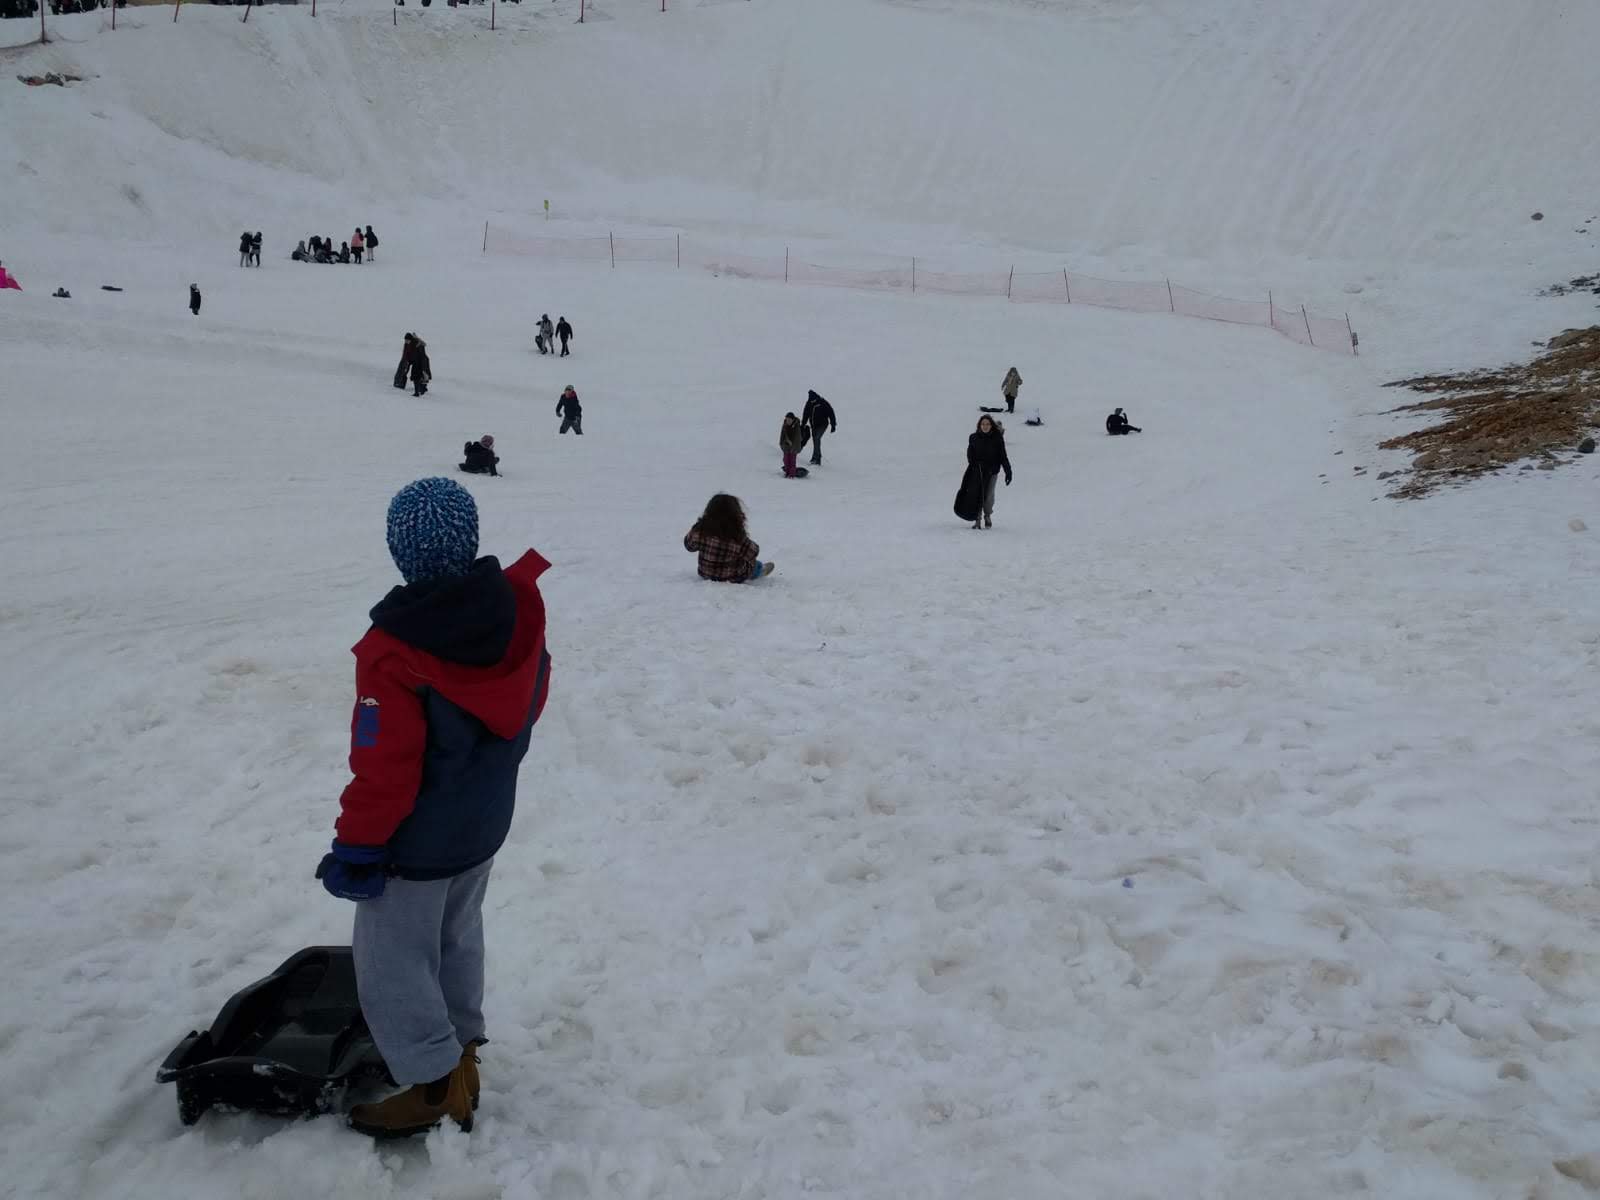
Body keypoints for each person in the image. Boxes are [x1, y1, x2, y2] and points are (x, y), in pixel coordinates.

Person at [318, 476, 552, 1138]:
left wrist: (358, 846)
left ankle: (430, 1086)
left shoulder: (394, 651)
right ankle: (463, 1059)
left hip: (416, 844)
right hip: (482, 826)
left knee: (393, 960)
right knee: (456, 935)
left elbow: (384, 766)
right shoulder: (516, 611)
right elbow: (530, 698)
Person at [684, 493, 772, 582]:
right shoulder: (737, 536)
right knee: (754, 564)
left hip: (705, 573)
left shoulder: (701, 531)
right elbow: (753, 552)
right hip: (732, 577)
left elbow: (689, 546)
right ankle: (760, 569)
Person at [966, 414, 1012, 529]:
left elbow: (1003, 456)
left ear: (991, 425)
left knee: (988, 496)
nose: (985, 426)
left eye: (987, 424)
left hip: (992, 472)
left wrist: (1008, 471)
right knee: (977, 494)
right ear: (979, 425)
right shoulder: (973, 437)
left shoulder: (997, 439)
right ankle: (977, 518)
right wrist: (974, 465)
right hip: (978, 471)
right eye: (983, 424)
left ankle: (987, 515)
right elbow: (970, 455)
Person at [801, 389, 836, 466]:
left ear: (816, 398)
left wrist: (833, 425)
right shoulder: (809, 403)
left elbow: (831, 413)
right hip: (814, 425)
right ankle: (816, 457)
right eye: (811, 400)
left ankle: (817, 459)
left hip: (823, 424)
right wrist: (803, 424)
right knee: (815, 440)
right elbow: (805, 414)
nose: (812, 402)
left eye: (813, 400)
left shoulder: (823, 402)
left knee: (817, 438)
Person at [779, 412, 809, 478]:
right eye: (787, 419)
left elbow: (797, 439)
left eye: (789, 420)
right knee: (786, 460)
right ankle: (787, 473)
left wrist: (794, 448)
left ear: (792, 420)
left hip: (794, 447)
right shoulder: (784, 426)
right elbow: (782, 435)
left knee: (792, 461)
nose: (788, 421)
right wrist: (781, 444)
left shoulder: (796, 427)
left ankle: (792, 474)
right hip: (786, 446)